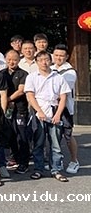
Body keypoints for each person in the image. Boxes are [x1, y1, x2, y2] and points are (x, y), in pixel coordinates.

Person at [25, 50, 70, 182]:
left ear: (50, 61)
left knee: (55, 144)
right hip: (38, 112)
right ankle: (38, 169)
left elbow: (63, 97)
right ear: (37, 62)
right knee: (38, 143)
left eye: (46, 59)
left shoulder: (58, 77)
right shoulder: (32, 77)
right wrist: (39, 111)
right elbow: (30, 95)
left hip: (54, 110)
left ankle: (56, 169)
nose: (44, 62)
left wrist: (58, 114)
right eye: (41, 60)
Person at [51, 44, 79, 174]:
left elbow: (62, 91)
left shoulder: (70, 72)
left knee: (68, 135)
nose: (58, 58)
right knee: (53, 136)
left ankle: (74, 160)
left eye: (61, 56)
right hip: (50, 107)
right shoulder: (50, 68)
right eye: (56, 55)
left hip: (65, 109)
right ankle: (58, 161)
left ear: (67, 57)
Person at [2, 49, 30, 174]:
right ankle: (15, 158)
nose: (11, 62)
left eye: (14, 59)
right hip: (6, 109)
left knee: (22, 136)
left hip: (20, 109)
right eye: (9, 59)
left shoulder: (23, 74)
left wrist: (7, 99)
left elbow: (21, 90)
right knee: (10, 135)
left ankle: (24, 162)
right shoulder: (1, 73)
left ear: (19, 60)